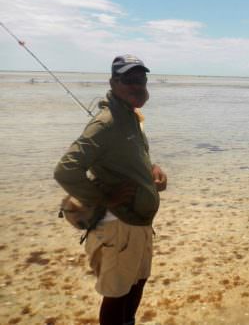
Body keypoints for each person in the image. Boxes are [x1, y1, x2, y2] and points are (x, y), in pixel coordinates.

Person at [54, 55, 167, 325]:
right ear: (113, 83)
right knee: (117, 294)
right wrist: (104, 198)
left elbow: (131, 156)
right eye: (128, 79)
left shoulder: (131, 117)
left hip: (139, 223)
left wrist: (152, 168)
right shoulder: (106, 123)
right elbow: (65, 170)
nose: (137, 85)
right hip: (119, 225)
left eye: (140, 79)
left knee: (138, 282)